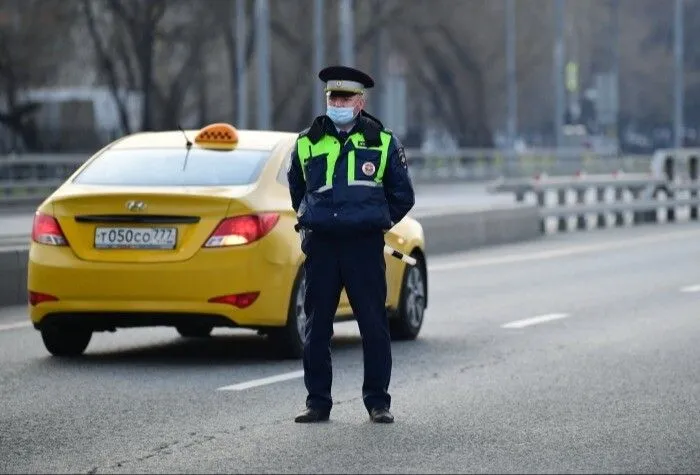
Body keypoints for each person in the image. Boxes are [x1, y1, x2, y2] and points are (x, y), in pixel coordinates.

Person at [287, 65, 415, 424]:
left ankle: (378, 402)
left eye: (345, 97)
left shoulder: (381, 141)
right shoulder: (307, 141)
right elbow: (297, 189)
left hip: (363, 246)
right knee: (316, 328)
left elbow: (402, 195)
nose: (338, 102)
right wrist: (311, 220)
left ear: (361, 102)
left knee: (373, 325)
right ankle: (317, 402)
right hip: (323, 246)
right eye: (333, 97)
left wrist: (374, 220)